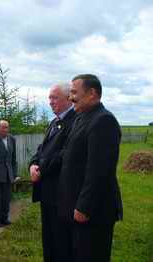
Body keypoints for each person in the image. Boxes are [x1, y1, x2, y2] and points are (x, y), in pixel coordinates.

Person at [58, 74, 123, 262]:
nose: (70, 97)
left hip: (94, 212)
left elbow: (99, 171)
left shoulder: (103, 121)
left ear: (92, 93)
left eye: (74, 92)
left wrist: (84, 207)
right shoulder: (82, 118)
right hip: (77, 209)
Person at [29, 83, 76, 262]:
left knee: (61, 240)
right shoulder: (55, 121)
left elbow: (65, 154)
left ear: (68, 98)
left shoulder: (74, 120)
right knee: (48, 237)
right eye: (49, 98)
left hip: (61, 192)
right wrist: (33, 164)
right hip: (47, 192)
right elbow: (42, 149)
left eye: (54, 97)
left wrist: (41, 170)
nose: (50, 102)